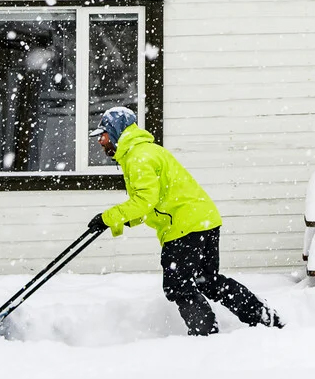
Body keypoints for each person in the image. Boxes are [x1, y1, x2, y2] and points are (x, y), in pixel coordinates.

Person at [89, 106, 282, 335]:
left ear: (116, 131)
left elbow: (144, 201)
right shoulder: (148, 151)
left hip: (183, 227)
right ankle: (263, 316)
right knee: (207, 281)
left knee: (179, 286)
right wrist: (119, 222)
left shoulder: (137, 157)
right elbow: (154, 203)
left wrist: (108, 217)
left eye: (103, 135)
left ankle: (204, 335)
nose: (100, 141)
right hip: (204, 220)